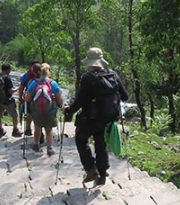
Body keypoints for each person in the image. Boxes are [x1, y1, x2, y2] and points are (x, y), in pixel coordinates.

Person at [63, 47, 128, 186]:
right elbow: (125, 96)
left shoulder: (88, 78)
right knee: (101, 143)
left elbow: (80, 101)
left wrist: (69, 111)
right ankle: (102, 174)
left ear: (90, 62)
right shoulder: (113, 75)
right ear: (101, 61)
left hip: (90, 119)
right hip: (108, 119)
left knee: (81, 140)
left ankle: (91, 169)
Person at [24, 63, 63, 156]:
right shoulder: (53, 83)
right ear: (48, 71)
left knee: (37, 128)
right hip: (50, 111)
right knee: (48, 130)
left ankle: (36, 145)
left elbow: (28, 98)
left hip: (36, 111)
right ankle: (49, 148)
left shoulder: (34, 83)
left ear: (39, 72)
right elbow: (59, 99)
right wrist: (60, 106)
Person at [0, 63, 21, 139]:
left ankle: (0, 130)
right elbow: (11, 91)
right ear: (8, 70)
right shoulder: (7, 78)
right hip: (7, 101)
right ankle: (15, 130)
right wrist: (19, 87)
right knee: (15, 115)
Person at [18, 60, 41, 138]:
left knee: (29, 113)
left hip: (29, 97)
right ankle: (39, 131)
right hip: (41, 98)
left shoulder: (27, 75)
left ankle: (28, 128)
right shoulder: (43, 75)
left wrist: (20, 98)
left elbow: (21, 88)